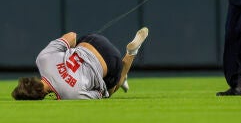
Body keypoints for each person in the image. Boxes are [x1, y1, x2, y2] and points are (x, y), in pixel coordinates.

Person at [11, 27, 149, 100]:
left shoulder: (71, 95)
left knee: (111, 89)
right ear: (30, 80)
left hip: (111, 60)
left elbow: (100, 94)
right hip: (92, 40)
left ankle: (131, 52)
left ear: (39, 97)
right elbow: (72, 36)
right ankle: (123, 76)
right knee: (73, 48)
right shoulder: (42, 59)